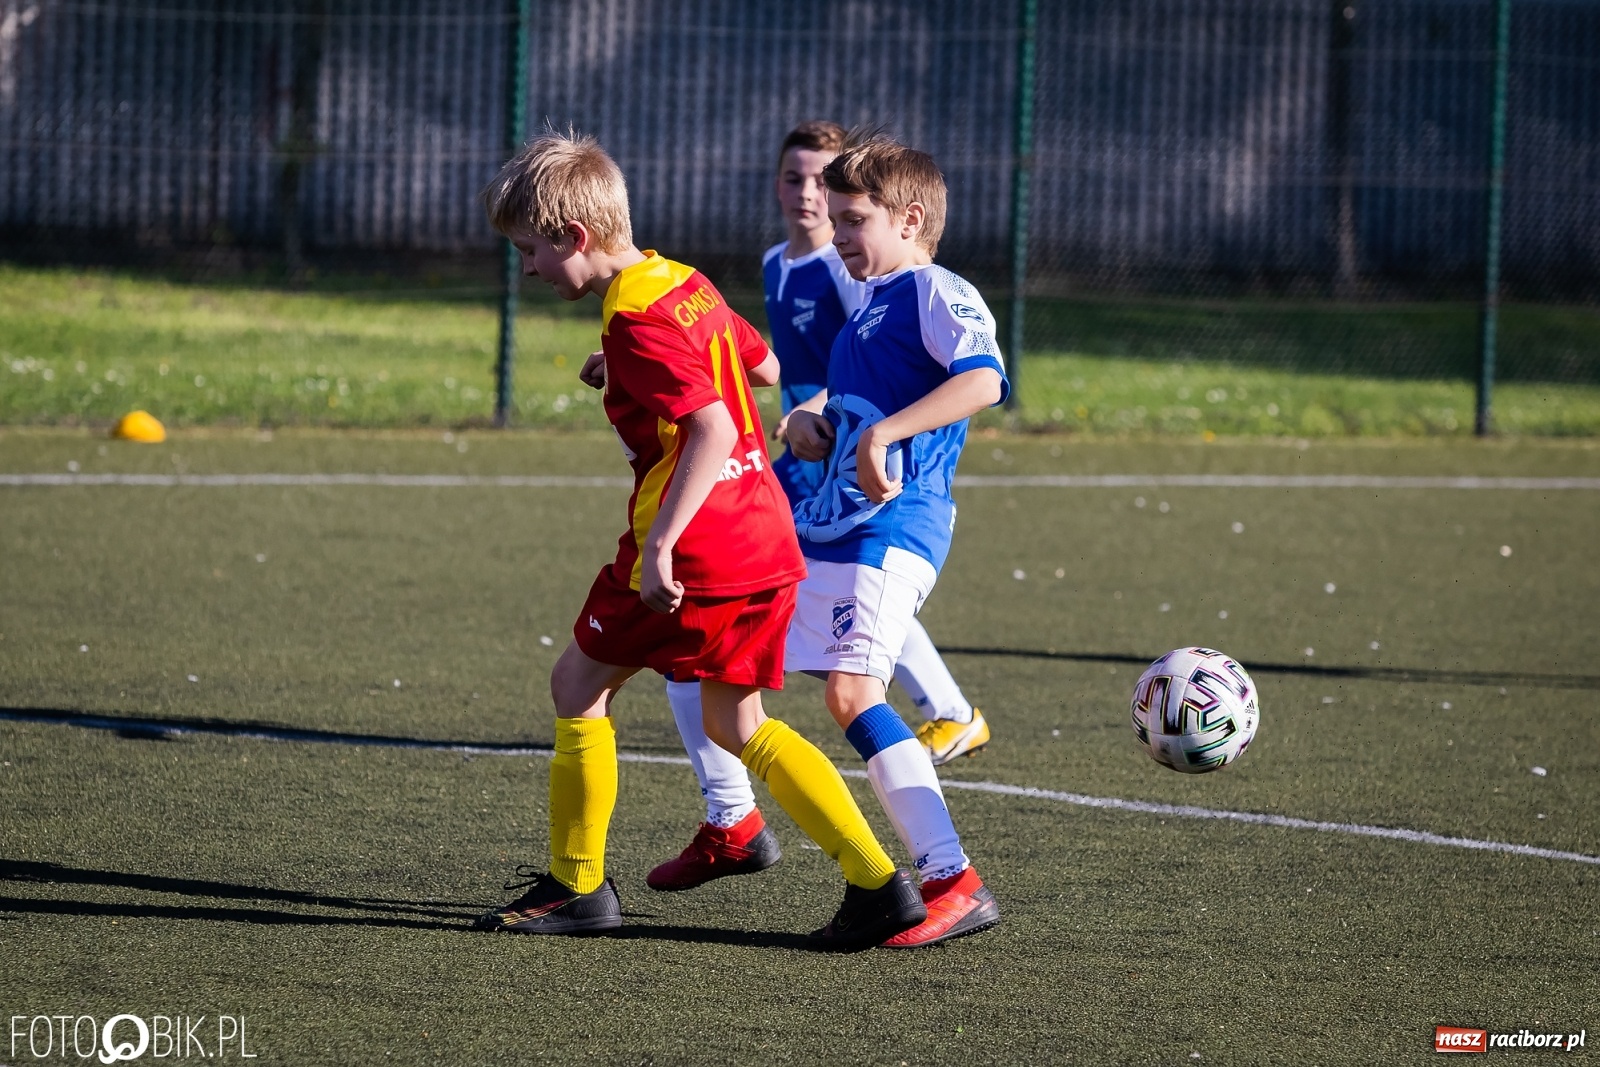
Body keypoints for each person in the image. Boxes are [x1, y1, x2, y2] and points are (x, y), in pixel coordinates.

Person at [471, 129, 926, 950]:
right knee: (739, 724)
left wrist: (660, 547)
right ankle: (877, 883)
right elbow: (758, 368)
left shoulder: (638, 323)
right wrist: (625, 369)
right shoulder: (678, 281)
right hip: (764, 537)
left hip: (699, 548)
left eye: (531, 249)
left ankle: (577, 884)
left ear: (576, 237)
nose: (528, 267)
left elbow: (713, 426)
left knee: (577, 684)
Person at [663, 130, 1008, 948]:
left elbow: (985, 378)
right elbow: (850, 410)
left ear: (911, 217)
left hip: (896, 527)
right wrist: (815, 422)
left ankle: (951, 878)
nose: (839, 231)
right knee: (713, 669)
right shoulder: (870, 305)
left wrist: (884, 433)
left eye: (855, 219)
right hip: (837, 528)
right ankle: (742, 827)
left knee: (852, 695)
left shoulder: (932, 288)